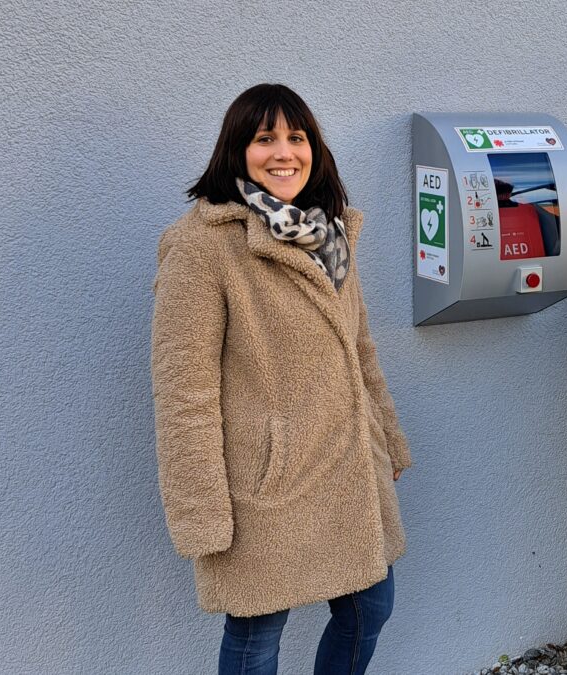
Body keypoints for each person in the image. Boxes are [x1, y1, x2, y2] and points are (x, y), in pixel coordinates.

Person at [151, 83, 411, 675]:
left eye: (296, 137)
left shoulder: (332, 235)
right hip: (268, 483)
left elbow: (360, 348)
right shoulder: (202, 247)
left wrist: (387, 439)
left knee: (371, 607)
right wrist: (201, 511)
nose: (283, 152)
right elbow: (183, 394)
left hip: (348, 465)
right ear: (236, 150)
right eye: (265, 138)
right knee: (255, 635)